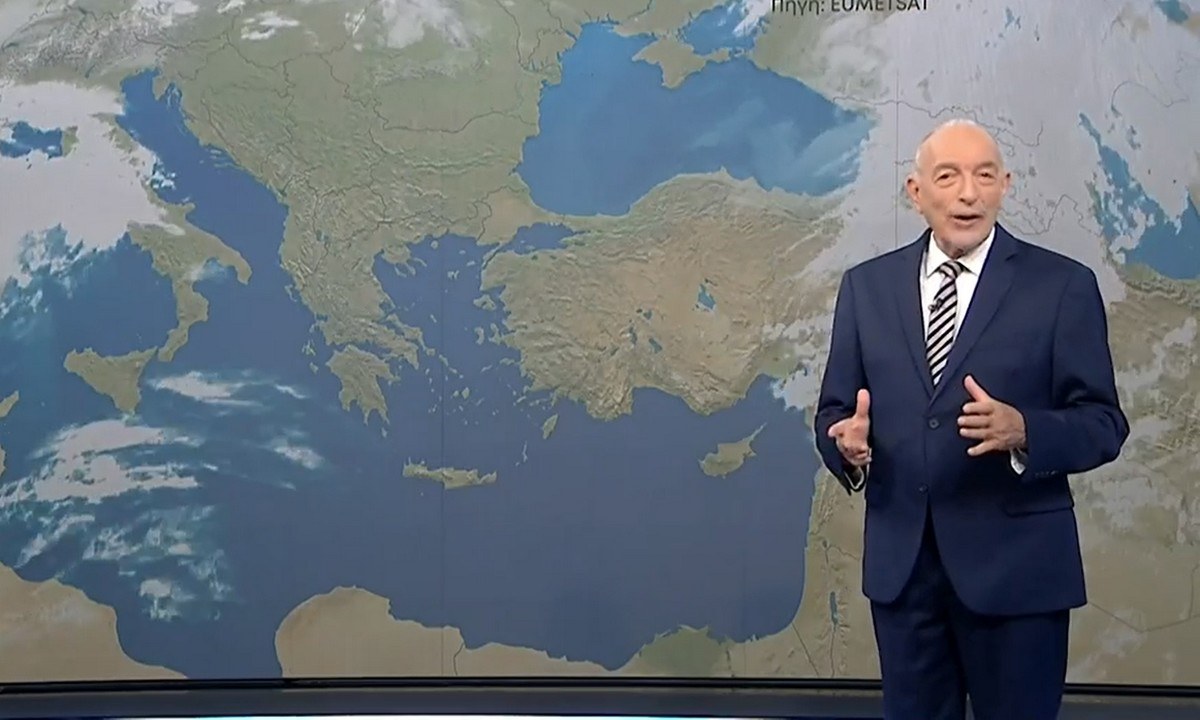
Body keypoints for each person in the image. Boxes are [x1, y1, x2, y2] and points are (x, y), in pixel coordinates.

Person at [813, 118, 1129, 720]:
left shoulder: (1061, 286)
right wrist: (845, 446)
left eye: (985, 176)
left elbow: (1102, 423)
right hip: (905, 577)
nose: (968, 193)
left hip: (1018, 574)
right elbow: (836, 412)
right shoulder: (866, 288)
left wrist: (1026, 431)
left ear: (1005, 185)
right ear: (916, 191)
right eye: (948, 177)